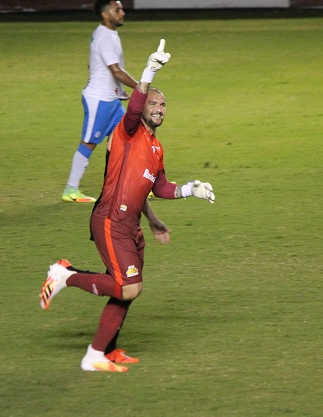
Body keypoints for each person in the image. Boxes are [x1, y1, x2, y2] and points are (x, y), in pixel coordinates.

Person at [40, 39, 215, 372]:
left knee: (127, 290)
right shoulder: (126, 130)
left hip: (131, 226)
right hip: (109, 220)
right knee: (126, 286)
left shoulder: (156, 147)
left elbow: (159, 186)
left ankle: (103, 352)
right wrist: (148, 71)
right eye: (154, 103)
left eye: (163, 106)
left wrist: (192, 190)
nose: (159, 109)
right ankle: (65, 275)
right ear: (142, 105)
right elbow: (134, 108)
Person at [62, 0, 139, 203]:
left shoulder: (108, 34)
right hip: (100, 100)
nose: (122, 13)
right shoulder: (104, 37)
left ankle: (138, 184)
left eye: (122, 9)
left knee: (130, 137)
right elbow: (115, 70)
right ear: (106, 14)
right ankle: (70, 190)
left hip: (112, 99)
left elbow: (96, 65)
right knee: (89, 143)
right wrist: (140, 88)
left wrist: (119, 90)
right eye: (117, 10)